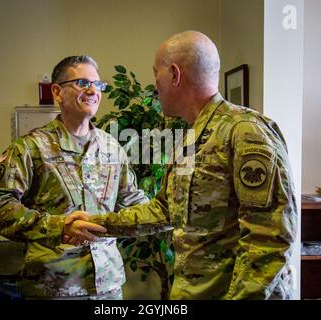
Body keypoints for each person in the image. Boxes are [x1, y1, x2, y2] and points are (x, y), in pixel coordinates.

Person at [68, 31, 298, 300]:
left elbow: (269, 239)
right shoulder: (192, 138)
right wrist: (96, 224)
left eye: (157, 76)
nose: (156, 87)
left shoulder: (245, 132)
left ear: (175, 75)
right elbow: (165, 209)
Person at [0, 55, 149, 299]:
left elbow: (132, 200)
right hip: (54, 287)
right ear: (57, 92)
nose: (93, 90)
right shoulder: (30, 147)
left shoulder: (112, 148)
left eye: (98, 85)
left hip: (107, 287)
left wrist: (173, 209)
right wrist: (59, 227)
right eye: (82, 83)